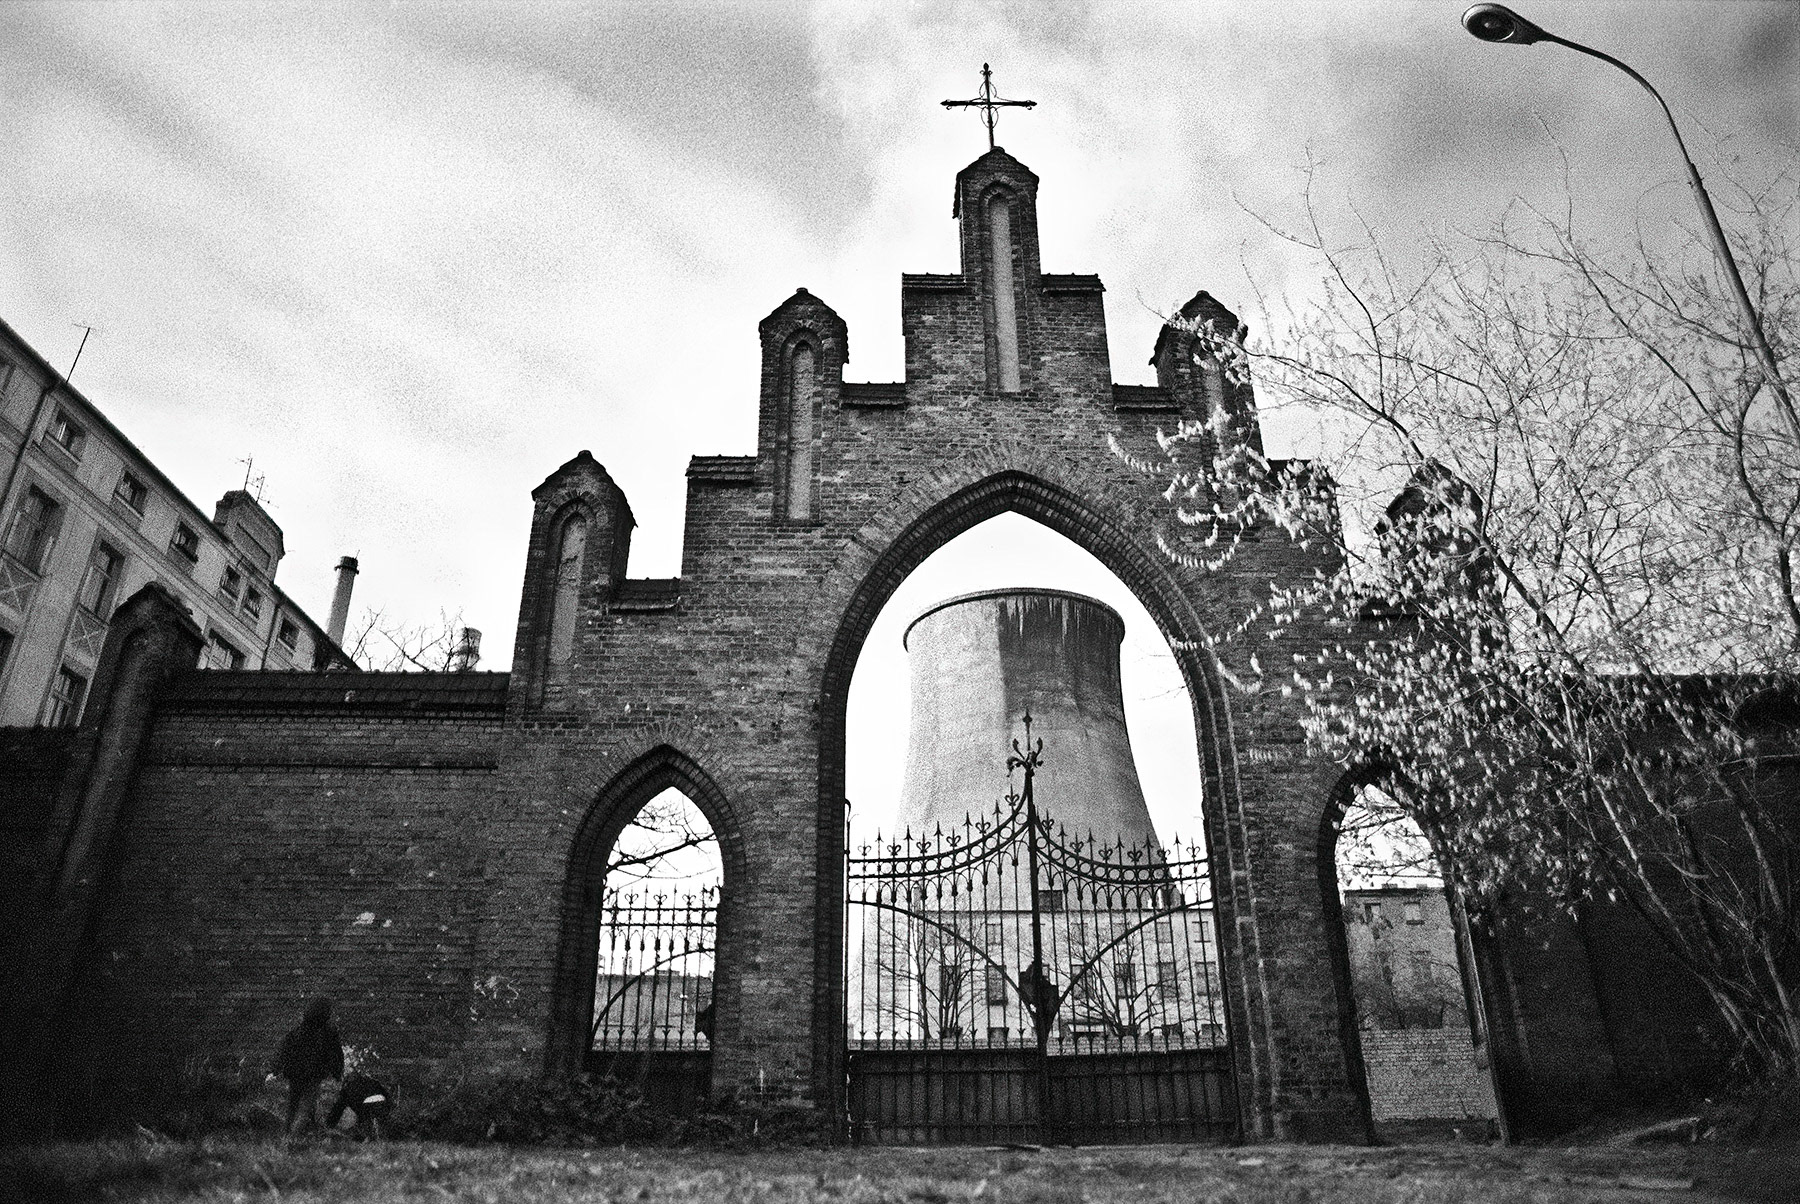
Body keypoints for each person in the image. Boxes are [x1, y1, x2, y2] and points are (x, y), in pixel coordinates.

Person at [273, 997, 343, 1134]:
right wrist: (336, 1072)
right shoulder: (328, 1032)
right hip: (314, 1074)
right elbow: (336, 1054)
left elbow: (285, 1049)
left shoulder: (299, 1030)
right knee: (306, 1106)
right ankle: (294, 1134)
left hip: (295, 1073)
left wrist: (278, 1069)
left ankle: (287, 1133)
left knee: (292, 1106)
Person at [326, 1072, 394, 1139]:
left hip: (367, 1105)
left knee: (365, 1122)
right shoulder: (373, 1082)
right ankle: (382, 1136)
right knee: (380, 1121)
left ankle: (368, 1137)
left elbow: (338, 1108)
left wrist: (329, 1124)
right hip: (382, 1102)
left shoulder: (348, 1088)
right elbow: (387, 1096)